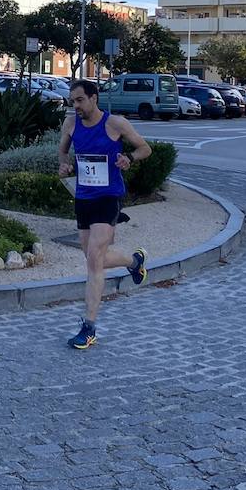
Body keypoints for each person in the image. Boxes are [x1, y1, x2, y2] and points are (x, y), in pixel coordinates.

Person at [57, 79, 152, 350]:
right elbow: (63, 152)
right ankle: (134, 261)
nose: (75, 106)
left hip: (108, 197)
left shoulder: (115, 124)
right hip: (83, 197)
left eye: (79, 100)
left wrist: (129, 159)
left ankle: (88, 327)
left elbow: (145, 148)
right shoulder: (72, 124)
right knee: (91, 257)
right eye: (72, 101)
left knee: (94, 260)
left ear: (93, 98)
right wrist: (64, 166)